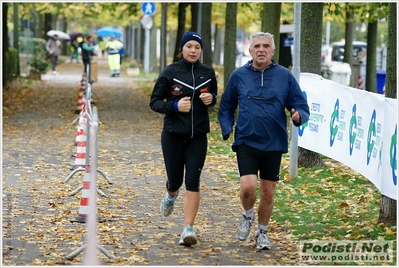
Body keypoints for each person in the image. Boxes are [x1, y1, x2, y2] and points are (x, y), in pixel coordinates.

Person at [217, 32, 310, 250]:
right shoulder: (239, 75)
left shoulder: (284, 76)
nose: (261, 49)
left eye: (266, 46)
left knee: (268, 192)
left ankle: (262, 233)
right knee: (248, 187)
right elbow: (227, 105)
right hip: (247, 140)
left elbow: (300, 104)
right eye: (257, 46)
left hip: (274, 142)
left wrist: (298, 116)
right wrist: (226, 126)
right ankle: (247, 215)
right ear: (249, 51)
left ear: (273, 51)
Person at [149, 31, 218, 246]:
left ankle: (188, 228)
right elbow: (154, 102)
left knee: (192, 182)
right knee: (176, 180)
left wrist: (211, 98)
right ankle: (170, 195)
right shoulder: (170, 72)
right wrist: (175, 106)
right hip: (173, 136)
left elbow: (213, 97)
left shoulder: (208, 72)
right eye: (189, 46)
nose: (193, 50)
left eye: (197, 47)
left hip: (198, 136)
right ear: (182, 49)